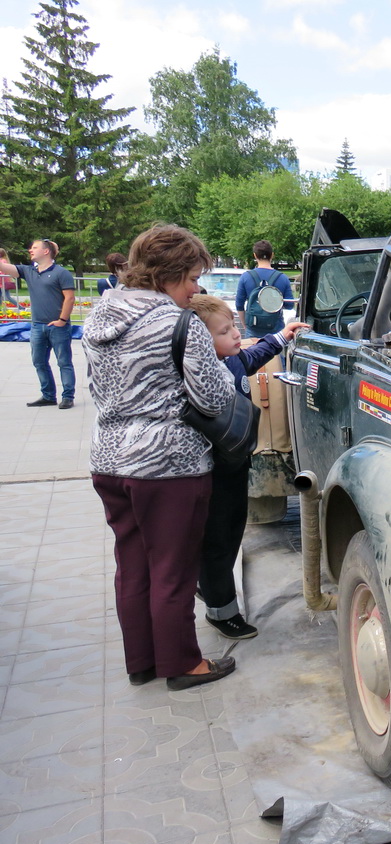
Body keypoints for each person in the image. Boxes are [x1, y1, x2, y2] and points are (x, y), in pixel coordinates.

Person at [82, 224, 237, 689]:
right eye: (191, 277)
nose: (195, 289)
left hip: (108, 459)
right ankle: (183, 664)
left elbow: (96, 388)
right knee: (173, 568)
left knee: (132, 565)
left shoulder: (97, 318)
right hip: (167, 466)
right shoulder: (180, 323)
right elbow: (212, 398)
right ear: (167, 275)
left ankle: (143, 661)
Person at [190, 296, 308, 639]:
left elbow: (253, 356)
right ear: (199, 340)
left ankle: (211, 585)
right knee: (217, 539)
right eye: (225, 331)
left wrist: (282, 336)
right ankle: (222, 610)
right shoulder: (200, 372)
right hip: (212, 466)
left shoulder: (233, 359)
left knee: (232, 530)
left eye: (234, 327)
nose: (236, 334)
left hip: (236, 462)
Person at [0, 238, 76, 409]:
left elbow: (69, 298)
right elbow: (4, 267)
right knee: (39, 361)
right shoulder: (28, 271)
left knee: (64, 361)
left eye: (35, 247)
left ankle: (68, 396)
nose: (30, 250)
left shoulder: (61, 273)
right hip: (37, 326)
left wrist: (62, 320)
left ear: (46, 251)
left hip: (58, 326)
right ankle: (48, 395)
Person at [235, 240, 294, 338]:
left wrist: (245, 325)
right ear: (272, 255)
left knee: (253, 353)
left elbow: (239, 305)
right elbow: (289, 305)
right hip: (275, 328)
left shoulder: (246, 277)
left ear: (255, 255)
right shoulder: (282, 278)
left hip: (253, 328)